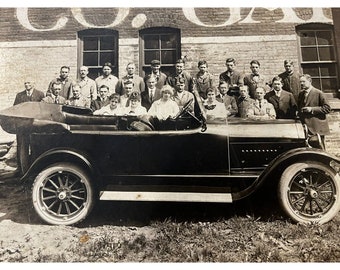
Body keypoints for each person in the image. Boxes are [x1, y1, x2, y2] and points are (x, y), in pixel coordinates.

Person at [0, 81, 45, 174]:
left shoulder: (40, 94)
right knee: (22, 148)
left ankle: (34, 170)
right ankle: (21, 170)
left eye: (29, 83)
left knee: (35, 147)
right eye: (25, 83)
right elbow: (15, 109)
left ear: (33, 83)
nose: (26, 85)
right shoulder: (19, 95)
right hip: (22, 128)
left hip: (35, 128)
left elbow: (43, 110)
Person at [298, 74, 331, 148]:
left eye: (303, 81)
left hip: (317, 127)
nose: (301, 84)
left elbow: (327, 108)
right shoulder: (301, 94)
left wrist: (312, 109)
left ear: (310, 81)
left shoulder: (318, 93)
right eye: (300, 82)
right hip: (306, 127)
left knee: (320, 149)